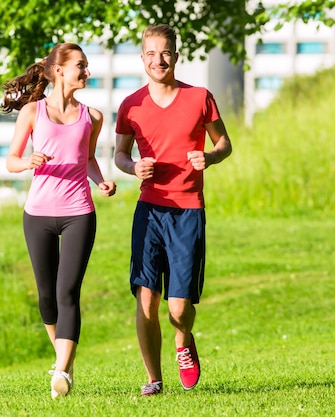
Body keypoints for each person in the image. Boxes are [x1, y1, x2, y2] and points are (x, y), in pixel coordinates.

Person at [114, 24, 232, 396]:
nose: (158, 59)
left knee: (178, 308)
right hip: (149, 210)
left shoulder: (200, 97)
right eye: (151, 53)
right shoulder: (130, 105)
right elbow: (119, 154)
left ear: (176, 56)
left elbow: (225, 143)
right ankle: (153, 378)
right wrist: (133, 167)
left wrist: (210, 157)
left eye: (165, 52)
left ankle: (183, 341)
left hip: (188, 211)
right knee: (145, 297)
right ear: (143, 58)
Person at [2, 43, 116, 399]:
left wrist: (101, 181)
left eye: (86, 66)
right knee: (47, 297)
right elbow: (11, 160)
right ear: (59, 71)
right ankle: (63, 357)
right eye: (81, 66)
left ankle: (62, 371)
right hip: (37, 215)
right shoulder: (33, 112)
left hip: (79, 213)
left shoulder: (92, 117)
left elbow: (89, 157)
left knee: (68, 291)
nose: (87, 72)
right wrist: (29, 162)